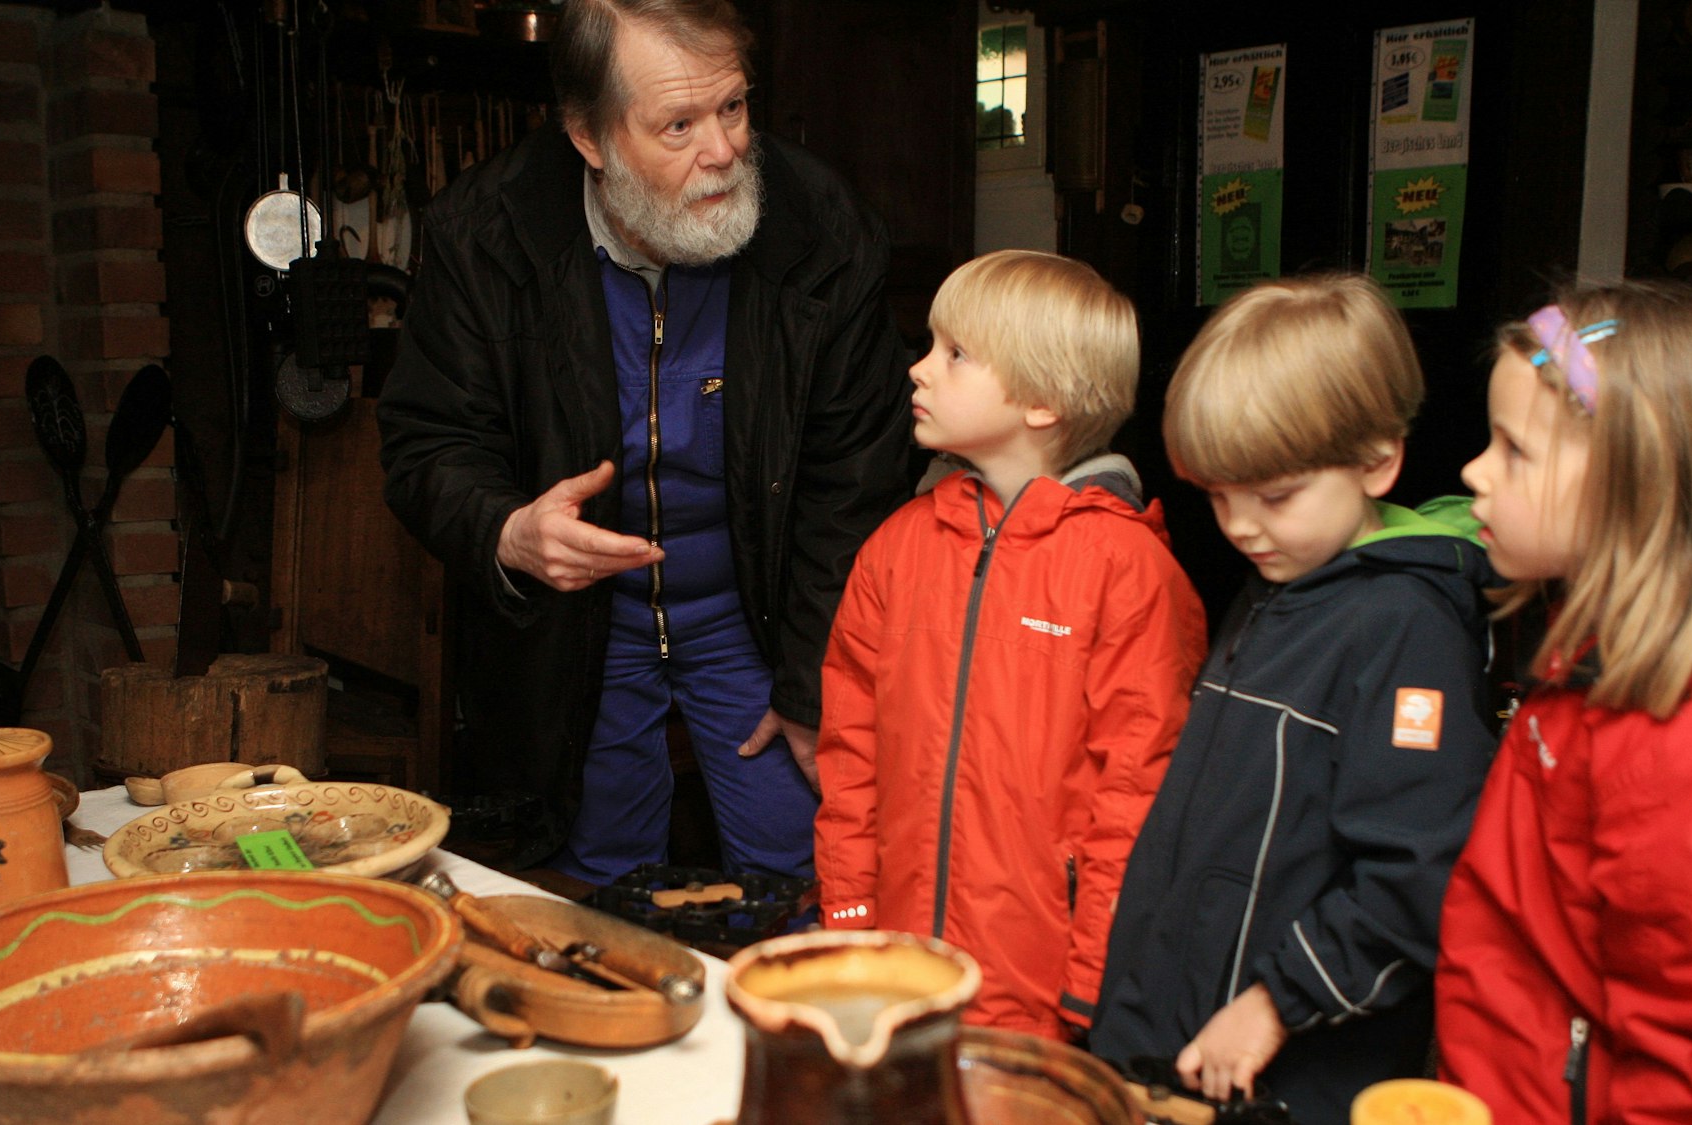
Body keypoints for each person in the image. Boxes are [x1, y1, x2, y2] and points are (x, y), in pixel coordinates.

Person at [376, 0, 914, 881]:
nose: (725, 150)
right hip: (580, 628)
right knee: (594, 887)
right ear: (590, 137)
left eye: (733, 107)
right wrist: (509, 530)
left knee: (808, 867)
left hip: (764, 610)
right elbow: (427, 443)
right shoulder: (486, 233)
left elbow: (856, 475)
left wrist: (814, 677)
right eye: (679, 125)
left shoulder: (821, 225)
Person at [1086, 274, 1498, 1120]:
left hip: (1284, 1071)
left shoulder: (1406, 627)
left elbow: (1417, 876)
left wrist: (1277, 1001)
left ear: (1377, 462)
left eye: (1274, 495)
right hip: (1181, 1046)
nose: (1240, 526)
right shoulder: (1278, 586)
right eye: (1218, 495)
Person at [814, 250, 1207, 1040]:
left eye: (955, 352)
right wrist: (849, 919)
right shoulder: (898, 548)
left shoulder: (1128, 570)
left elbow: (1137, 794)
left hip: (1041, 989)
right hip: (898, 969)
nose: (919, 368)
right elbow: (851, 757)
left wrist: (1095, 980)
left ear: (1042, 401)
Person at [1436, 283, 1692, 1123]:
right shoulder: (1587, 661)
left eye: (1515, 450)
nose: (1474, 470)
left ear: (1638, 483)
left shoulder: (1691, 737)